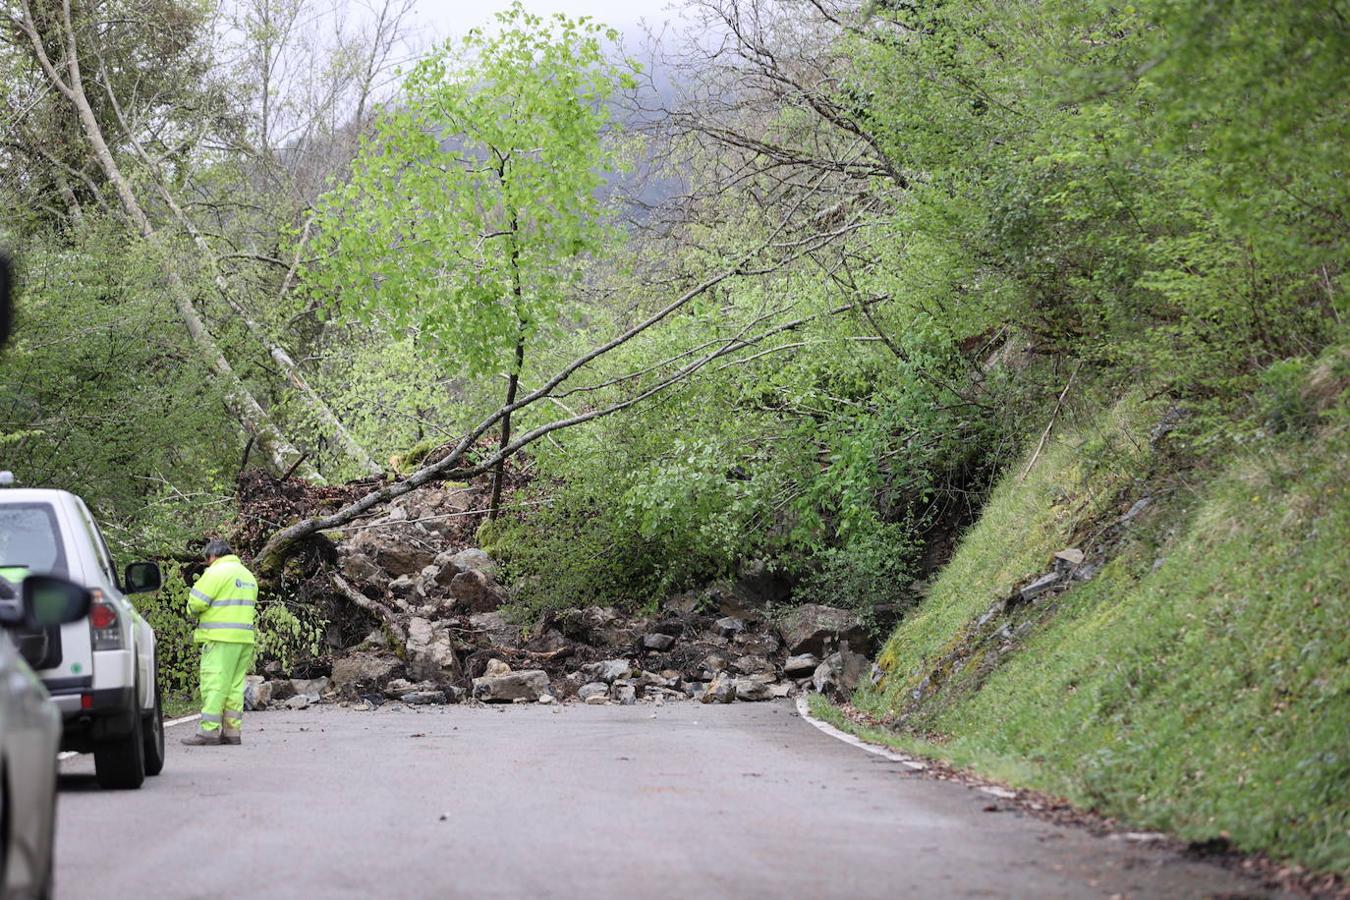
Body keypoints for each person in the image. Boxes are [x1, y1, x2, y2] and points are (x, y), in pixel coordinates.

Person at [181, 539, 258, 746]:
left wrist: (190, 612)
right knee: (234, 686)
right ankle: (232, 732)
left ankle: (208, 732)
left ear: (212, 556)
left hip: (220, 638)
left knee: (214, 683)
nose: (208, 564)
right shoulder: (247, 575)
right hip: (244, 639)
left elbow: (196, 603)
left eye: (208, 560)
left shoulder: (216, 572)